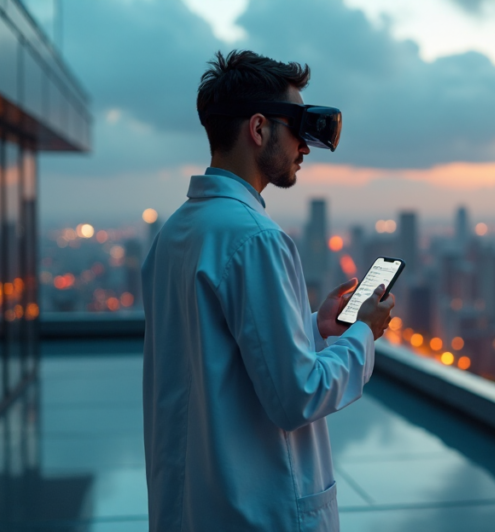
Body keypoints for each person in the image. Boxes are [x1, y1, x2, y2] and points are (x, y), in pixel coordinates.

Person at [141, 50, 395, 532]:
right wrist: (362, 334)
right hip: (257, 513)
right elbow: (297, 396)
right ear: (258, 130)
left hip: (191, 509)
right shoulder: (256, 237)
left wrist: (316, 332)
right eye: (297, 127)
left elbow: (231, 362)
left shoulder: (175, 232)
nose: (306, 147)